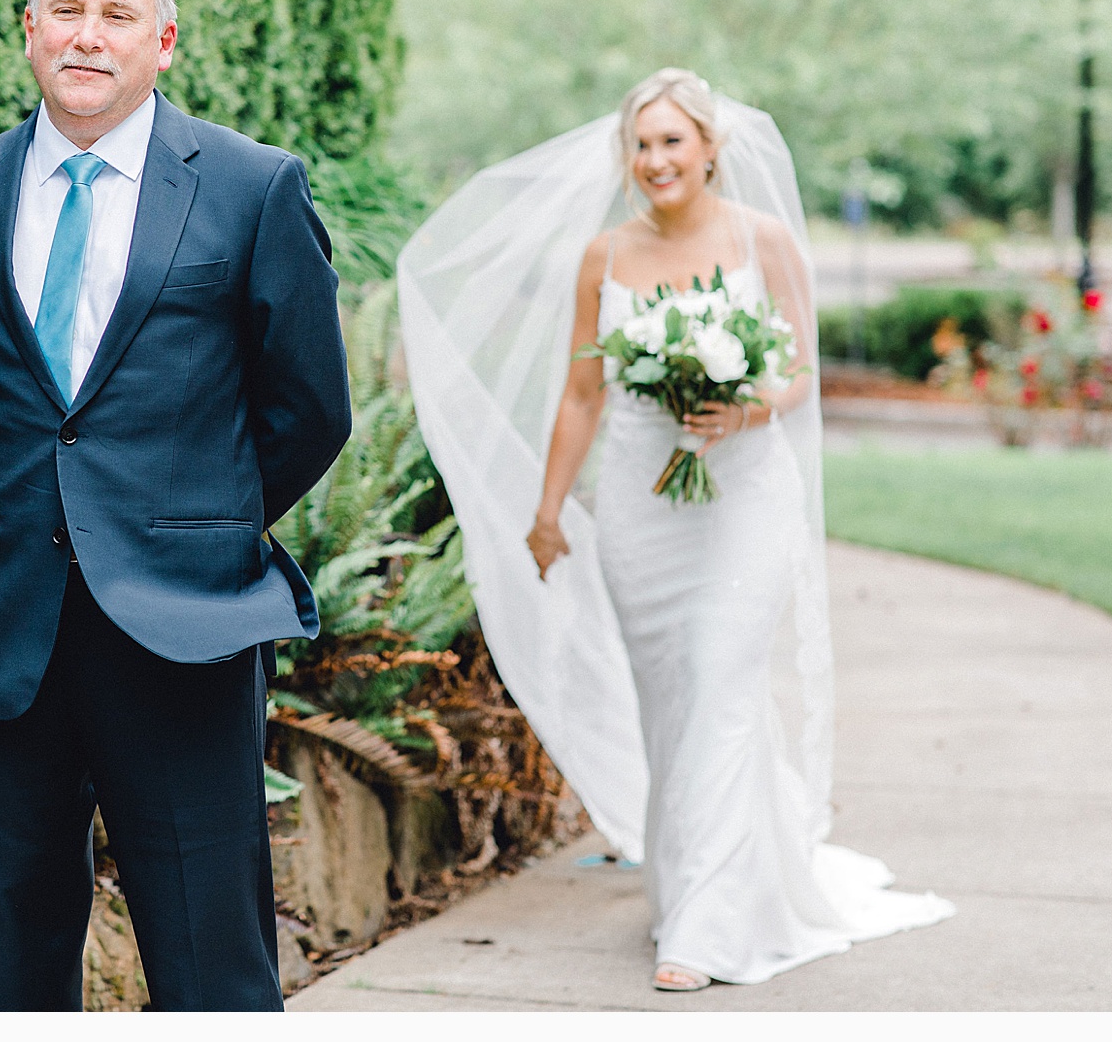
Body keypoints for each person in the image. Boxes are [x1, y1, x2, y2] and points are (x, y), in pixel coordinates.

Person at [397, 68, 952, 992]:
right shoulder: (603, 256)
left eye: (671, 142)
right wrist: (546, 512)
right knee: (671, 705)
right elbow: (582, 394)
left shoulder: (764, 241)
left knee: (720, 683)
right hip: (638, 508)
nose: (655, 160)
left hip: (743, 497)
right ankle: (689, 881)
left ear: (709, 150)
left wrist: (747, 409)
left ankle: (707, 926)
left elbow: (803, 373)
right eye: (641, 144)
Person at [0, 0, 352, 1011]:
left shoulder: (251, 188)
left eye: (115, 14)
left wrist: (186, 517)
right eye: (65, 10)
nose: (87, 35)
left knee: (212, 959)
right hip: (9, 627)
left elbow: (307, 408)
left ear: (163, 40)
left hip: (184, 623)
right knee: (12, 956)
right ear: (27, 31)